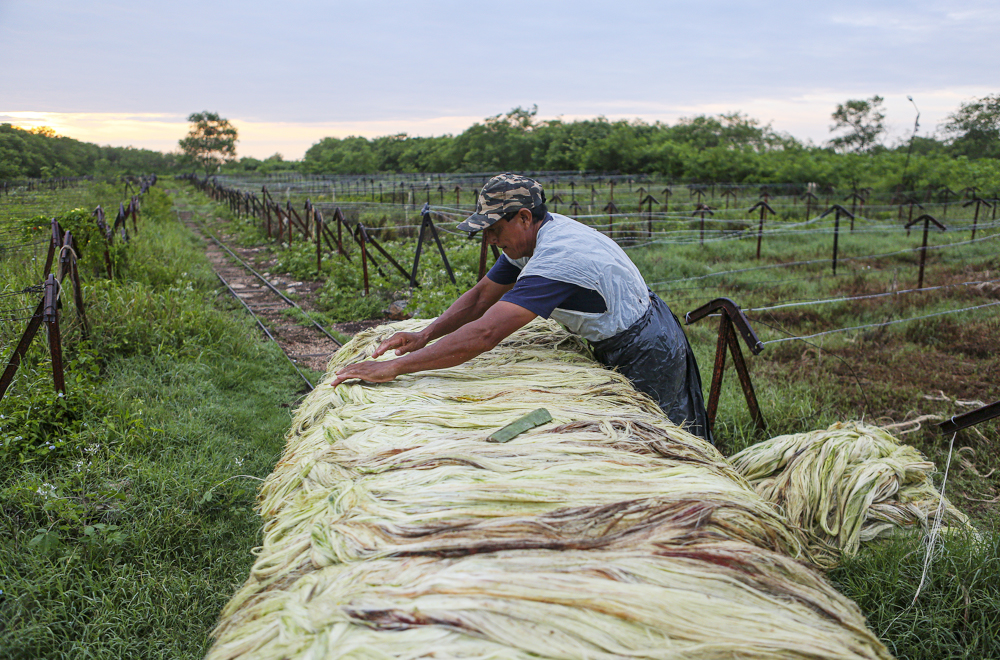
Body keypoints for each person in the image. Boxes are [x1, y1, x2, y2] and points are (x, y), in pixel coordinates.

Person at [330, 173, 712, 443]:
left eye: (495, 230)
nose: (492, 240)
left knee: (660, 437)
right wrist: (424, 334)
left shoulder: (557, 258)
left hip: (646, 346)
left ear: (524, 217)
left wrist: (393, 368)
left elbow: (485, 333)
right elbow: (483, 297)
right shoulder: (530, 240)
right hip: (628, 332)